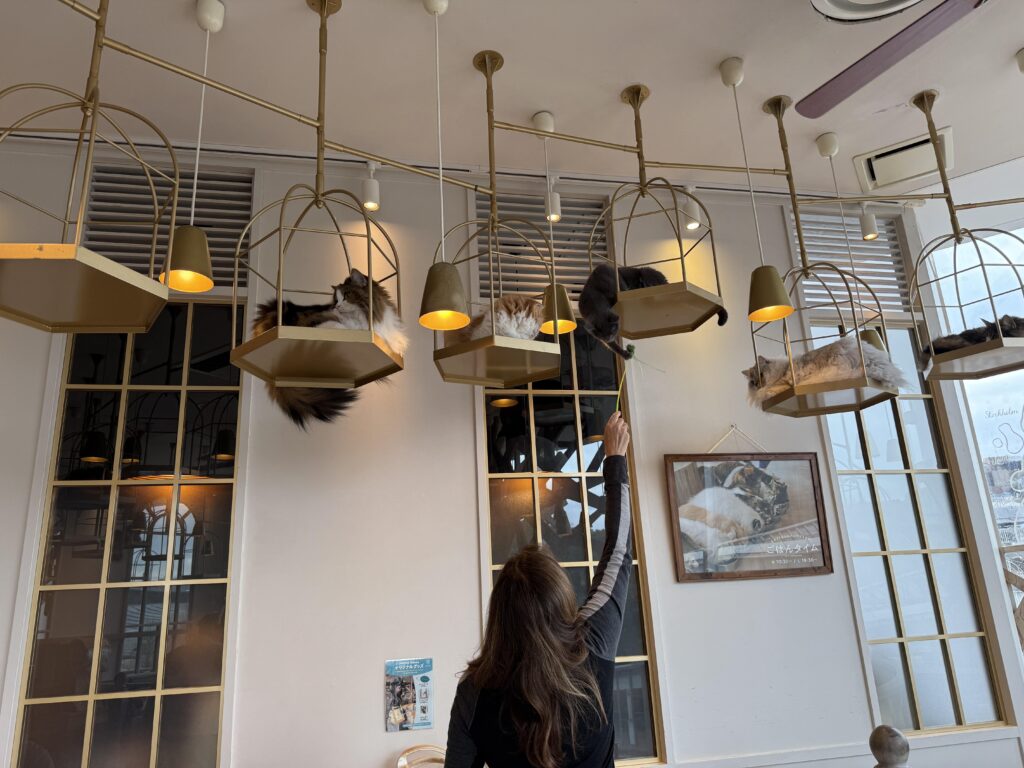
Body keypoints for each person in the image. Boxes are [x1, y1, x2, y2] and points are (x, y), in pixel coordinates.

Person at [445, 412, 632, 768]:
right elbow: (618, 552)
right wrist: (615, 461)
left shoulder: (475, 692)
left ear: (499, 615)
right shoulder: (593, 643)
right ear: (562, 600)